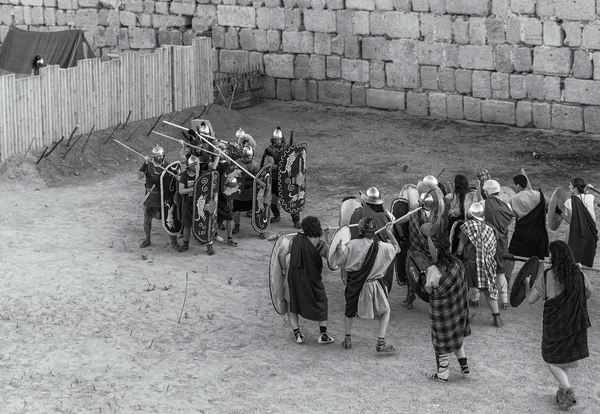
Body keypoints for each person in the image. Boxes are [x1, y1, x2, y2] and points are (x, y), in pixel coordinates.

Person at [524, 241, 592, 410]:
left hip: (554, 324)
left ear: (554, 257)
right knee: (563, 358)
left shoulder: (547, 276)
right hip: (574, 323)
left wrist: (525, 284)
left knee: (551, 358)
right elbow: (588, 293)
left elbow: (530, 300)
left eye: (550, 254)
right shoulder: (579, 274)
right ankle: (561, 391)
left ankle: (569, 392)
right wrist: (581, 271)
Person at [335, 218, 400, 354]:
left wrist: (338, 249)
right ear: (374, 231)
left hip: (355, 285)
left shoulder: (352, 245)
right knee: (385, 311)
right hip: (374, 285)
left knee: (350, 311)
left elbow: (339, 261)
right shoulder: (382, 246)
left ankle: (347, 339)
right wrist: (389, 233)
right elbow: (397, 248)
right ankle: (380, 342)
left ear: (360, 230)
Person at [278, 216, 333, 344]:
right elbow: (332, 260)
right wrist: (327, 237)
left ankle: (297, 334)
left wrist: (283, 270)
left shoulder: (294, 240)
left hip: (294, 279)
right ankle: (323, 334)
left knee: (292, 304)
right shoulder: (321, 245)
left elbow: (281, 255)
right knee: (322, 303)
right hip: (313, 281)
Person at [424, 238, 471, 382]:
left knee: (441, 342)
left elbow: (429, 290)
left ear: (437, 251)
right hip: (458, 310)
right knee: (457, 339)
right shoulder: (457, 264)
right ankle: (466, 370)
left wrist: (424, 280)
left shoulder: (433, 270)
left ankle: (443, 374)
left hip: (442, 313)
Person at [456, 202, 502, 328]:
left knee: (463, 290)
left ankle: (464, 318)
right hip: (486, 264)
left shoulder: (467, 227)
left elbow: (460, 250)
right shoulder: (490, 228)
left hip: (470, 265)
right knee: (488, 291)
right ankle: (497, 317)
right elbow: (493, 249)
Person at [504, 173, 549, 293]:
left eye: (514, 185)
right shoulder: (539, 195)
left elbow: (512, 215)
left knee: (511, 256)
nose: (514, 187)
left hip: (522, 234)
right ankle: (541, 286)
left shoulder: (513, 199)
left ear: (518, 185)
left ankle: (507, 282)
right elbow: (548, 207)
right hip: (539, 233)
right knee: (539, 260)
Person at [349, 187, 395, 292]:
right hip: (380, 257)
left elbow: (353, 234)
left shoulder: (356, 214)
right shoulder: (386, 216)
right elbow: (390, 238)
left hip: (361, 255)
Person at [178, 152, 220, 255]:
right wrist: (193, 189)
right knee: (187, 224)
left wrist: (218, 156)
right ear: (189, 166)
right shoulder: (184, 175)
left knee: (206, 223)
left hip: (201, 203)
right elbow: (181, 190)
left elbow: (213, 169)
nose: (197, 166)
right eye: (194, 165)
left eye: (198, 164)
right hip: (188, 203)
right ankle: (186, 243)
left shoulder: (203, 174)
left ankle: (209, 245)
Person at [138, 145, 179, 250]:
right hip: (150, 197)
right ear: (154, 156)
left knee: (169, 219)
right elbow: (139, 176)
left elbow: (174, 182)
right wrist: (145, 164)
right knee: (147, 220)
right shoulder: (148, 164)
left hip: (163, 197)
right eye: (157, 156)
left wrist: (177, 177)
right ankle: (147, 239)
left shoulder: (168, 166)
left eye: (161, 156)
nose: (160, 158)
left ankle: (173, 241)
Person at [261, 127, 301, 229]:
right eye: (276, 140)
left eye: (279, 139)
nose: (278, 141)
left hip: (287, 178)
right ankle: (277, 216)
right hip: (275, 178)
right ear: (273, 139)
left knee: (291, 198)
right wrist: (283, 167)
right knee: (274, 200)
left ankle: (296, 221)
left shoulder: (287, 147)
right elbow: (271, 165)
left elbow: (295, 158)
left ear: (282, 139)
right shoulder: (269, 150)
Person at [482, 179, 513, 310]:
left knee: (482, 270)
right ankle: (505, 300)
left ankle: (474, 299)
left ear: (486, 191)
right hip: (501, 242)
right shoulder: (507, 205)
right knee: (500, 271)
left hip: (486, 242)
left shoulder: (482, 204)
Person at [556, 178, 598, 267]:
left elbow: (571, 221)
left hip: (578, 233)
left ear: (575, 189)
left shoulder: (569, 202)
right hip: (590, 232)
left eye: (570, 185)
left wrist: (559, 212)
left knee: (573, 256)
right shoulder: (591, 197)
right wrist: (587, 189)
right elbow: (584, 197)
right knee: (586, 256)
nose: (568, 187)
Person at [232, 145, 260, 234]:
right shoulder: (236, 163)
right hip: (239, 193)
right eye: (245, 156)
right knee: (236, 213)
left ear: (252, 156)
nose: (247, 158)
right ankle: (236, 226)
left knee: (256, 212)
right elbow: (230, 178)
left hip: (251, 193)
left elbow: (259, 179)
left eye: (249, 156)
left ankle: (260, 228)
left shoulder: (255, 165)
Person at [215, 142, 238, 247]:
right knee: (213, 216)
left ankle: (229, 238)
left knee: (230, 217)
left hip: (226, 195)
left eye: (223, 150)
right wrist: (217, 156)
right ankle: (213, 235)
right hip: (215, 195)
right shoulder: (213, 162)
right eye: (220, 150)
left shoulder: (229, 164)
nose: (222, 152)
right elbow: (212, 168)